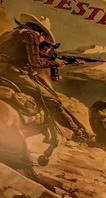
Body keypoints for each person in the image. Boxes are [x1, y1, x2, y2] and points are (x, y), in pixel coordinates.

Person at [0, 13, 92, 141]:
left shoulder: (10, 34)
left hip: (5, 70)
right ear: (41, 32)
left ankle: (78, 127)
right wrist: (55, 62)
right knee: (52, 100)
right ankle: (76, 131)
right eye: (45, 37)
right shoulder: (32, 35)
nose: (43, 40)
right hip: (12, 72)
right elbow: (35, 62)